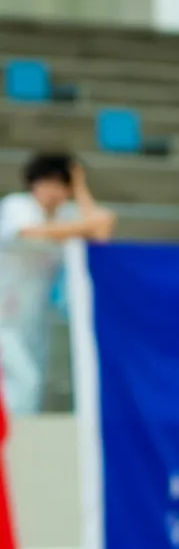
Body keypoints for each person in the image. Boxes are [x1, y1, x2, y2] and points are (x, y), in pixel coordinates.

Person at [0, 153, 115, 417]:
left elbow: (101, 235)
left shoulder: (67, 216)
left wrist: (80, 186)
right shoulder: (17, 206)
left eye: (62, 184)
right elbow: (29, 232)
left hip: (33, 317)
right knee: (25, 382)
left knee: (33, 386)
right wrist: (86, 225)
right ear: (32, 183)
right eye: (47, 182)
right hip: (3, 315)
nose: (53, 191)